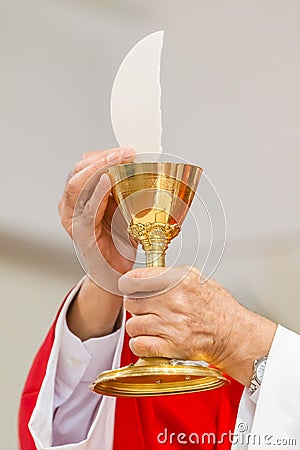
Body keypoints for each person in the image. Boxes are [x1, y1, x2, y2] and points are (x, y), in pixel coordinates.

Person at [19, 148, 300, 450]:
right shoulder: (209, 393)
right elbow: (79, 429)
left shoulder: (226, 381)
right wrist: (106, 282)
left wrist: (240, 338)